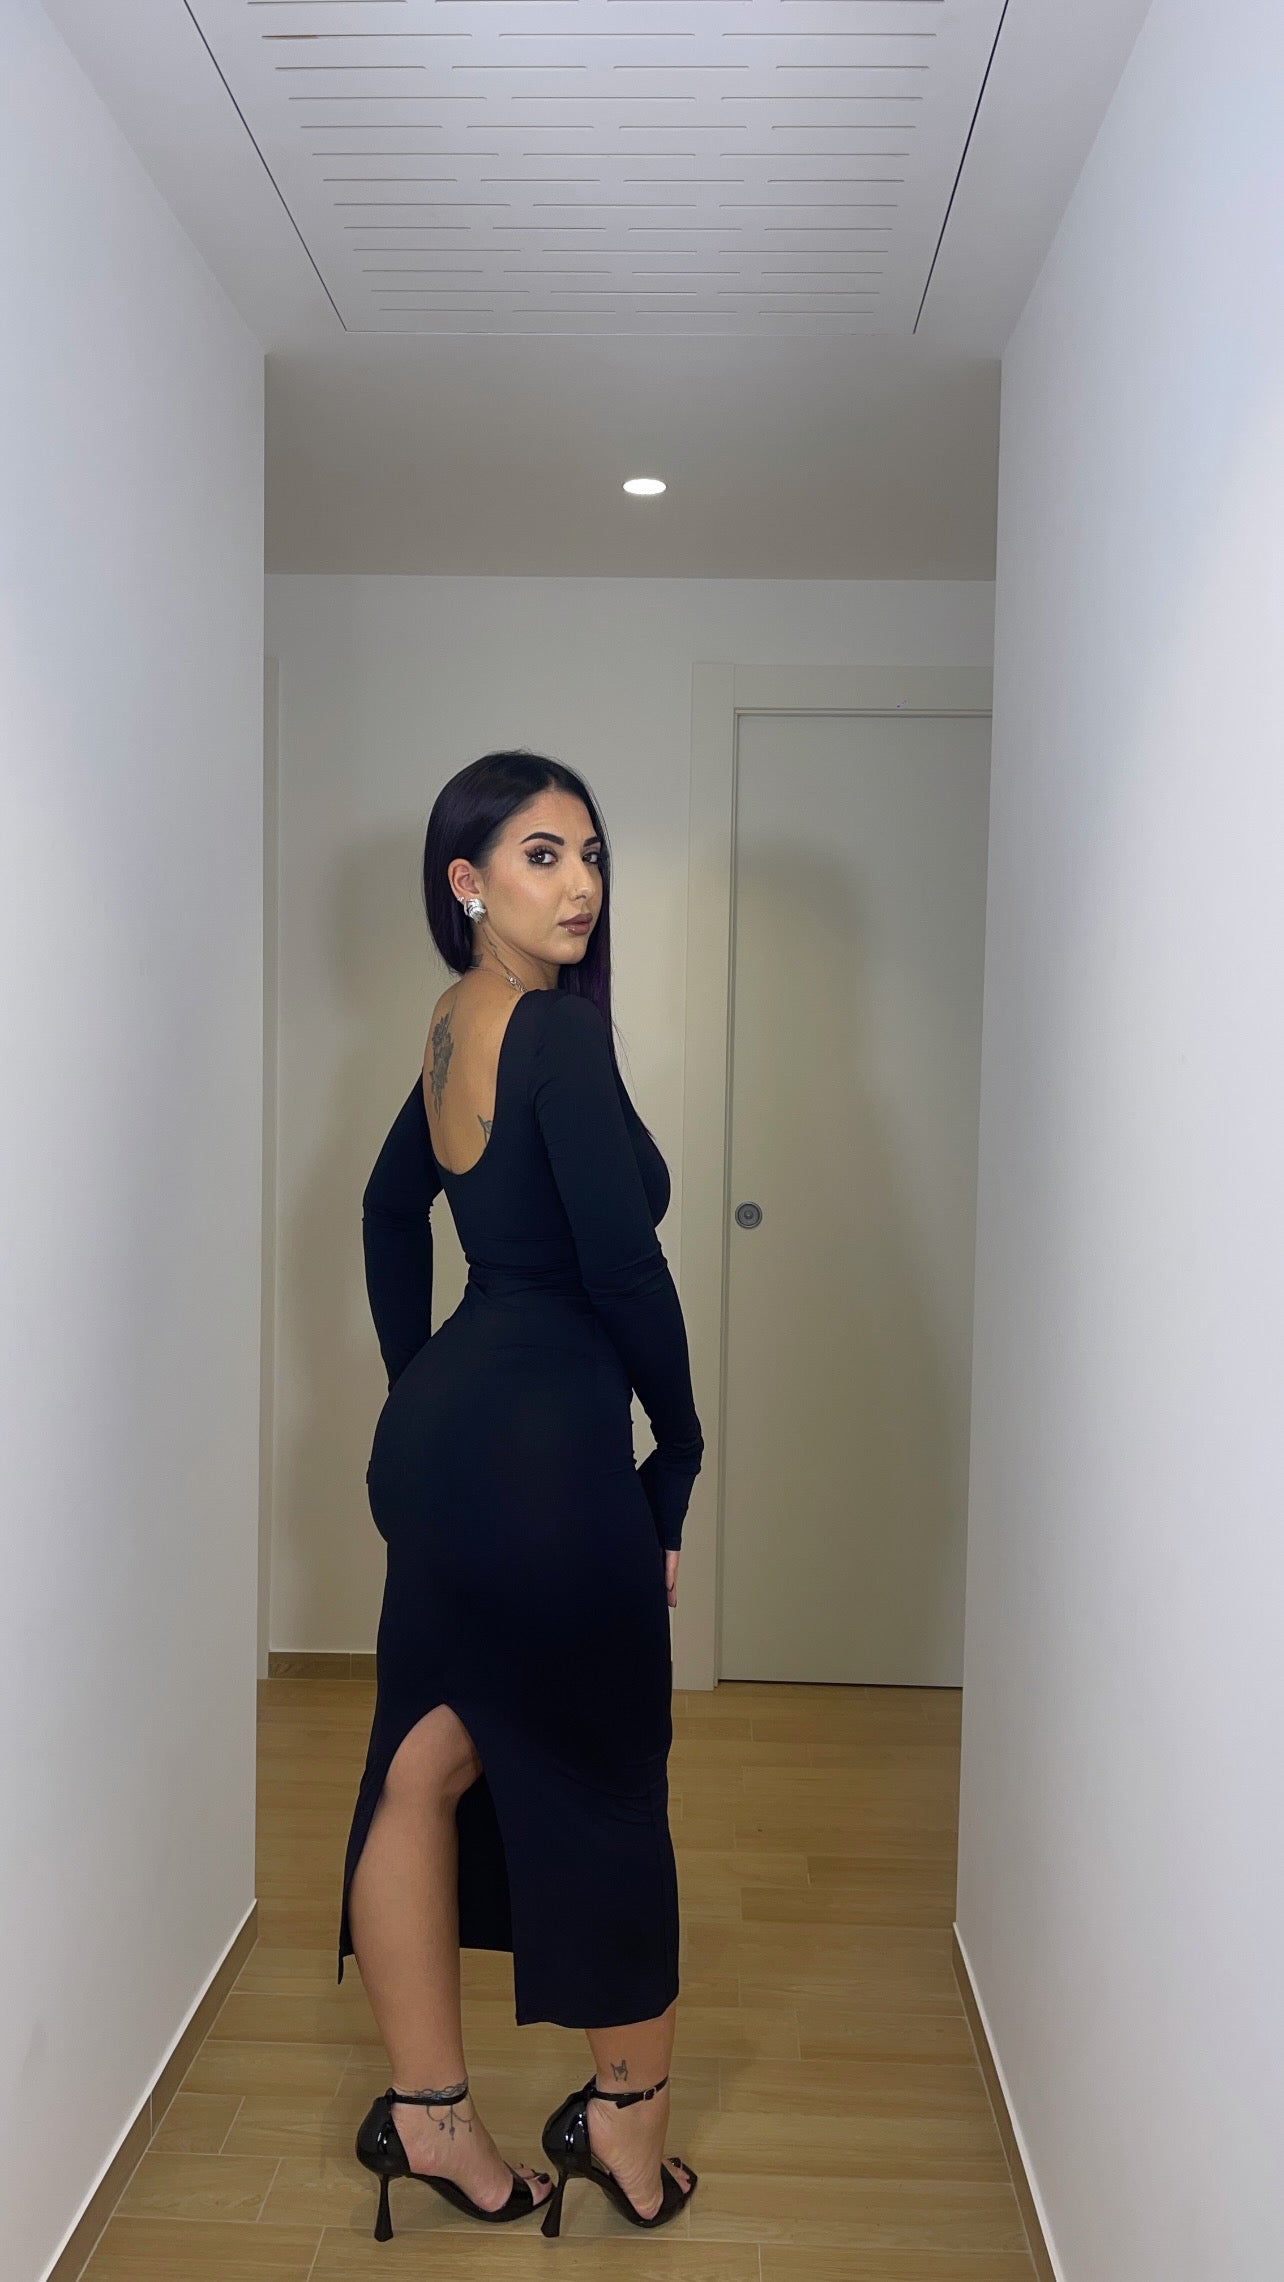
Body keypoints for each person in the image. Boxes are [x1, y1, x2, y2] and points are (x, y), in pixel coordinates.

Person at [339, 748, 704, 2240]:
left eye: (592, 854)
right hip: (551, 1467)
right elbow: (625, 1268)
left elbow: (388, 1208)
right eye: (542, 855)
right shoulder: (549, 1033)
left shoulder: (455, 1021)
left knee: (423, 1765)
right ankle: (628, 2126)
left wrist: (417, 1385)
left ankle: (432, 2120)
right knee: (610, 1784)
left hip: (448, 1452)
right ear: (468, 881)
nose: (580, 885)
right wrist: (680, 1452)